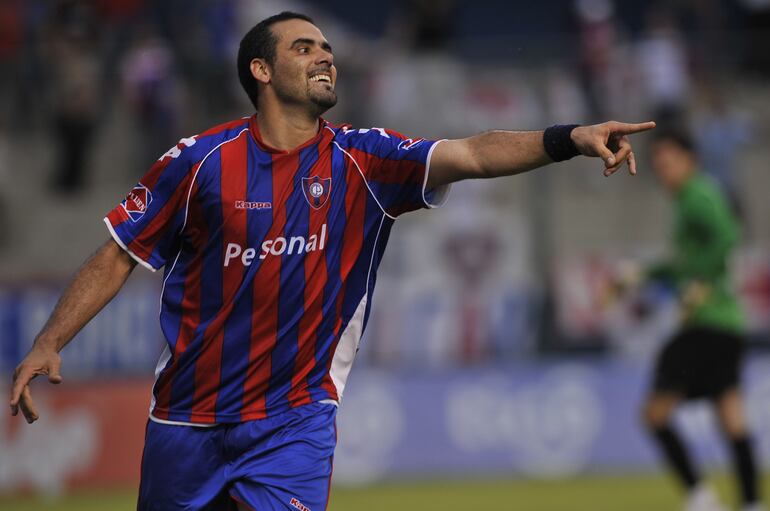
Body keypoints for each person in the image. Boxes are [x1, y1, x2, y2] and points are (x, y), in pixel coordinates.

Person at [9, 11, 654, 511]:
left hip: (294, 421)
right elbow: (119, 254)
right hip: (185, 420)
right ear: (261, 71)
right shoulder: (198, 162)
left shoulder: (364, 160)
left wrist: (571, 139)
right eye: (303, 47)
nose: (325, 56)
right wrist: (49, 341)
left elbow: (475, 153)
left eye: (326, 48)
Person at [639, 128, 763, 511]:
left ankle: (700, 497)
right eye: (657, 163)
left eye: (668, 160)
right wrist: (640, 275)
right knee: (732, 418)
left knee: (654, 414)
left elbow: (727, 235)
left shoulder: (697, 194)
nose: (662, 170)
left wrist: (702, 283)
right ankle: (752, 503)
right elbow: (682, 267)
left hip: (707, 324)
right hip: (730, 325)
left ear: (690, 159)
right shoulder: (689, 200)